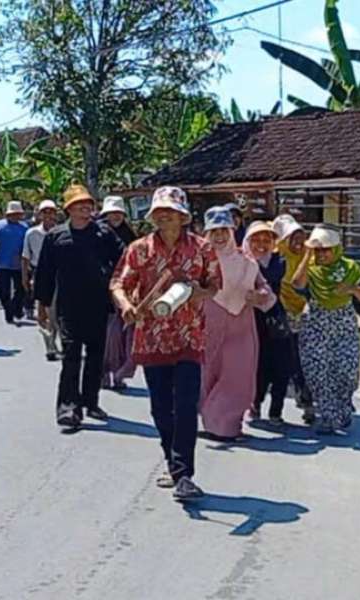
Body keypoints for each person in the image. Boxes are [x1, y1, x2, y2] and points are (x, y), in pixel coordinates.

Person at [111, 186, 221, 500]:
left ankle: (183, 473)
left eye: (169, 211)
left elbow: (215, 284)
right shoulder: (139, 248)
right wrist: (126, 305)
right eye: (159, 211)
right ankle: (173, 461)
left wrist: (195, 292)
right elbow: (119, 282)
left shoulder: (202, 248)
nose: (163, 216)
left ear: (182, 216)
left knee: (186, 404)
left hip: (189, 335)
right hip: (151, 337)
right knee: (161, 408)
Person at [35, 184, 124, 429]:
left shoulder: (104, 234)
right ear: (69, 209)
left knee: (95, 357)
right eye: (79, 205)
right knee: (71, 356)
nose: (85, 208)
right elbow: (45, 272)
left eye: (88, 204)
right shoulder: (55, 236)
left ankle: (91, 402)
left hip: (98, 304)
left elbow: (123, 260)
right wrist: (42, 305)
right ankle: (68, 408)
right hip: (68, 308)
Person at [198, 208, 274, 441]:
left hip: (241, 326)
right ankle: (214, 424)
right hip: (208, 324)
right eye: (214, 231)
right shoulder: (200, 260)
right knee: (208, 375)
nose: (219, 236)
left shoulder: (246, 260)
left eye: (224, 230)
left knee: (239, 375)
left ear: (232, 231)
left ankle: (227, 425)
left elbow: (265, 288)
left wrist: (259, 296)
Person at [292, 224, 360, 434]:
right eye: (318, 250)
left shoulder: (350, 268)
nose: (321, 254)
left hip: (343, 324)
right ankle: (328, 417)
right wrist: (307, 255)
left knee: (346, 370)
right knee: (318, 371)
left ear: (335, 249)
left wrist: (352, 289)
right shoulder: (311, 269)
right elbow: (297, 284)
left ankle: (343, 410)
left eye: (325, 249)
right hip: (316, 324)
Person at [244, 221, 293, 424]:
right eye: (256, 240)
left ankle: (276, 410)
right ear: (247, 241)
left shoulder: (278, 262)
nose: (261, 245)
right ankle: (254, 404)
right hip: (248, 319)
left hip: (274, 318)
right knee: (257, 366)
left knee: (281, 365)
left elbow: (272, 277)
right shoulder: (240, 261)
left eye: (267, 240)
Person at [273, 214, 315, 423]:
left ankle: (312, 399)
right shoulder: (277, 258)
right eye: (292, 237)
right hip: (285, 314)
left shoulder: (310, 256)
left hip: (310, 313)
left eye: (301, 236)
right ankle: (306, 401)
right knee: (295, 361)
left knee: (310, 360)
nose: (298, 242)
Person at [98, 195, 138, 388]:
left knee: (124, 334)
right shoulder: (97, 233)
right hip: (101, 290)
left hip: (125, 289)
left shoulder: (129, 234)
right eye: (112, 213)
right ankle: (104, 372)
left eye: (119, 213)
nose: (116, 216)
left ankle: (119, 374)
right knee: (108, 334)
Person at [23, 200, 60, 361]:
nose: (49, 215)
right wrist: (25, 277)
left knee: (56, 312)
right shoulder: (31, 233)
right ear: (39, 215)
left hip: (59, 273)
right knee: (43, 310)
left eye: (51, 212)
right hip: (40, 273)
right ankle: (49, 344)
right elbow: (25, 257)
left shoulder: (62, 231)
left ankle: (53, 341)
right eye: (45, 212)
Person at [0, 201, 28, 324]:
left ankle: (16, 308)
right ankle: (9, 313)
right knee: (3, 292)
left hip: (19, 264)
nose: (15, 216)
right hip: (2, 264)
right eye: (13, 214)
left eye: (17, 214)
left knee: (21, 290)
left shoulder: (24, 227)